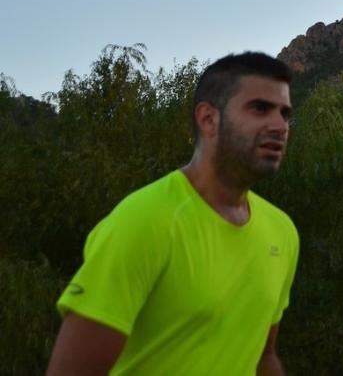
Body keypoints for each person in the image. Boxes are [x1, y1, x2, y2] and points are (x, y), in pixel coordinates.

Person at [46, 52, 299, 375]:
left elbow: (263, 358)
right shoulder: (143, 221)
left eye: (285, 113)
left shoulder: (281, 231)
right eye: (260, 108)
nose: (279, 126)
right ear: (208, 118)